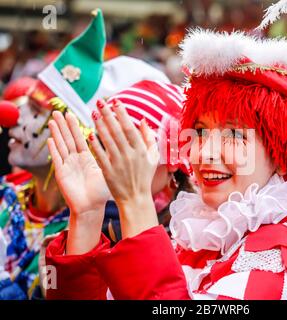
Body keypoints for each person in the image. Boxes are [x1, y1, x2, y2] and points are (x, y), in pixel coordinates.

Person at [45, 0, 287, 300]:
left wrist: (136, 203)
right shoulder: (202, 238)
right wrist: (88, 216)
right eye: (199, 131)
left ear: (281, 150)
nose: (204, 153)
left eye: (233, 133)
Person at [0, 9, 171, 300]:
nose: (14, 118)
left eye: (38, 110)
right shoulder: (6, 195)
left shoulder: (99, 233)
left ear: (81, 136)